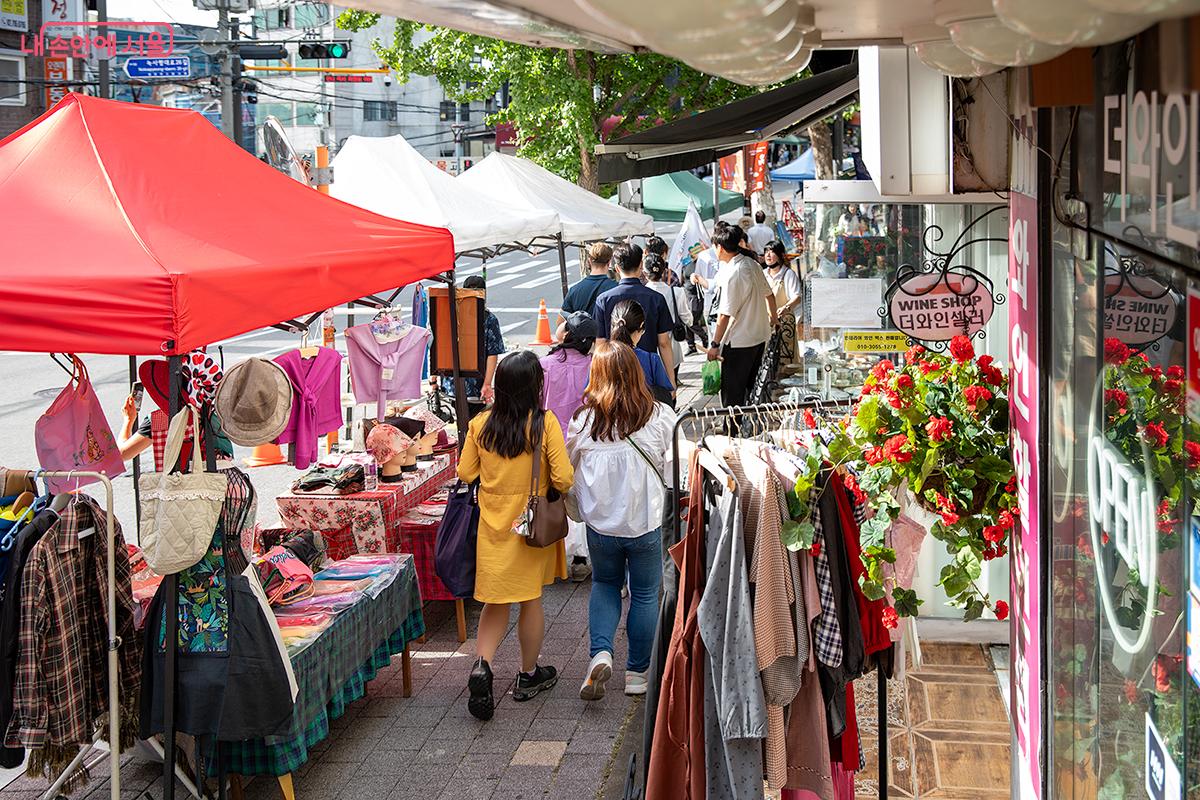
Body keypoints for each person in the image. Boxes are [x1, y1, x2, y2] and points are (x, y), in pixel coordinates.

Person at [457, 350, 573, 722]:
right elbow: (564, 477)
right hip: (530, 524)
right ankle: (528, 674)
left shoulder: (480, 425)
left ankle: (483, 666)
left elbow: (464, 472)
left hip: (493, 525)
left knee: (495, 601)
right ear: (534, 386)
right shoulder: (543, 423)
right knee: (530, 599)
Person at [567, 341, 675, 700]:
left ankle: (600, 653)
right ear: (636, 373)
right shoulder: (658, 416)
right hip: (645, 522)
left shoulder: (583, 421)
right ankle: (637, 674)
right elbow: (676, 471)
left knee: (605, 584)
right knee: (645, 594)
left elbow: (568, 469)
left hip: (600, 526)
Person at [706, 225, 778, 407]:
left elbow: (724, 315)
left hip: (740, 342)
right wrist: (774, 320)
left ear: (720, 247)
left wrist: (714, 344)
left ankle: (733, 430)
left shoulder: (734, 273)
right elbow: (769, 295)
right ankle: (747, 426)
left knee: (733, 393)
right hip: (759, 337)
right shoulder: (752, 264)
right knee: (751, 389)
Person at [592, 242, 675, 379]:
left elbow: (600, 344)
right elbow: (664, 343)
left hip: (614, 372)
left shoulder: (603, 300)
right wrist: (671, 379)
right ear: (641, 265)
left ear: (617, 268)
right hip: (648, 371)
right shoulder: (656, 299)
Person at [441, 275, 504, 414]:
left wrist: (434, 380)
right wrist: (487, 384)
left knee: (463, 420)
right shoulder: (489, 319)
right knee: (475, 423)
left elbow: (440, 346)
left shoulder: (452, 315)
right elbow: (492, 354)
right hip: (476, 385)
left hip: (453, 383)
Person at [540, 311, 597, 439]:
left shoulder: (545, 364)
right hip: (584, 436)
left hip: (549, 436)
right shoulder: (595, 365)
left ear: (567, 334)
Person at [610, 299, 674, 406]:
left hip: (610, 420)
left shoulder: (599, 359)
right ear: (641, 325)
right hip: (644, 419)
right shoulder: (651, 360)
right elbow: (666, 397)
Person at [643, 253, 691, 380]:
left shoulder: (641, 293)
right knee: (671, 386)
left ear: (644, 272)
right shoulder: (677, 292)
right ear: (664, 271)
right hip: (672, 348)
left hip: (648, 350)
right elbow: (689, 319)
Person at [560, 242, 617, 316]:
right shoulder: (616, 288)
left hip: (582, 327)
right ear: (609, 262)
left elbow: (561, 320)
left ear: (589, 261)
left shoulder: (574, 290)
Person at [763, 240, 802, 320]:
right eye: (766, 252)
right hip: (765, 322)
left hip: (784, 322)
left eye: (772, 252)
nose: (768, 255)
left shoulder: (788, 274)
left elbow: (797, 297)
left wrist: (786, 308)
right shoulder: (762, 274)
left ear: (780, 255)